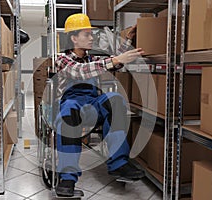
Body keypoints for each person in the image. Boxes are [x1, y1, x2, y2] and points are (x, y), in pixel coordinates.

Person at [53, 13, 144, 197]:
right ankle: (68, 178)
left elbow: (113, 63)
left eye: (91, 34)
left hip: (92, 104)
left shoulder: (91, 59)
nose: (91, 37)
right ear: (74, 38)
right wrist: (115, 60)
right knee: (68, 112)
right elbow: (79, 72)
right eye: (87, 34)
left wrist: (127, 40)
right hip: (72, 104)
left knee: (115, 99)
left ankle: (119, 163)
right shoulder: (62, 59)